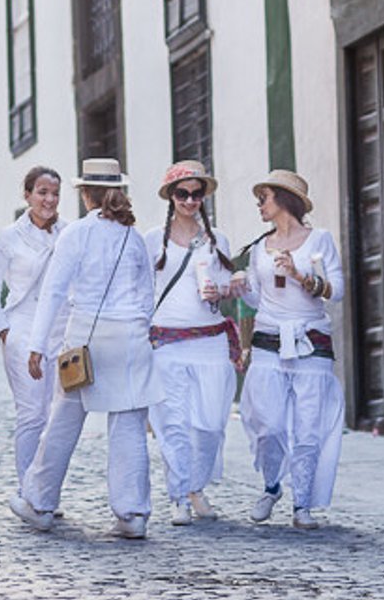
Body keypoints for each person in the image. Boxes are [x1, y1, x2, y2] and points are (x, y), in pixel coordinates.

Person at [9, 157, 156, 539]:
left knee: (63, 421)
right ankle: (132, 513)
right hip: (131, 340)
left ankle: (39, 502)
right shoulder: (134, 236)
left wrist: (37, 346)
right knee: (128, 427)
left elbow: (55, 292)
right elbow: (146, 296)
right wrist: (140, 331)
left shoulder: (76, 234)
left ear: (85, 193)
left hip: (86, 339)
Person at [226, 170, 347, 529]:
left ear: (283, 199)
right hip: (267, 340)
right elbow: (257, 298)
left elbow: (336, 290)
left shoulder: (319, 240)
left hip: (311, 340)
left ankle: (302, 504)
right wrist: (239, 288)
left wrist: (300, 275)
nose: (259, 206)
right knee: (268, 423)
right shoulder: (260, 247)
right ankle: (272, 484)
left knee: (308, 427)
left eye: (264, 198)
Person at [145, 161, 241, 526]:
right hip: (168, 340)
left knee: (211, 423)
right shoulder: (153, 239)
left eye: (196, 194)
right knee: (174, 421)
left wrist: (227, 288)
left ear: (204, 197)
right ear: (171, 196)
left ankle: (196, 484)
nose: (189, 200)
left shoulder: (217, 240)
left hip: (210, 338)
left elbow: (227, 287)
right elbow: (141, 288)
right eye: (182, 193)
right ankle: (180, 494)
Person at [0, 166, 65, 502]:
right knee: (32, 414)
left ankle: (48, 490)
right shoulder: (9, 237)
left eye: (55, 193)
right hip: (24, 329)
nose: (49, 200)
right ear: (28, 194)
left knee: (58, 416)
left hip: (61, 331)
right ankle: (28, 489)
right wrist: (4, 331)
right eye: (42, 192)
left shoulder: (68, 234)